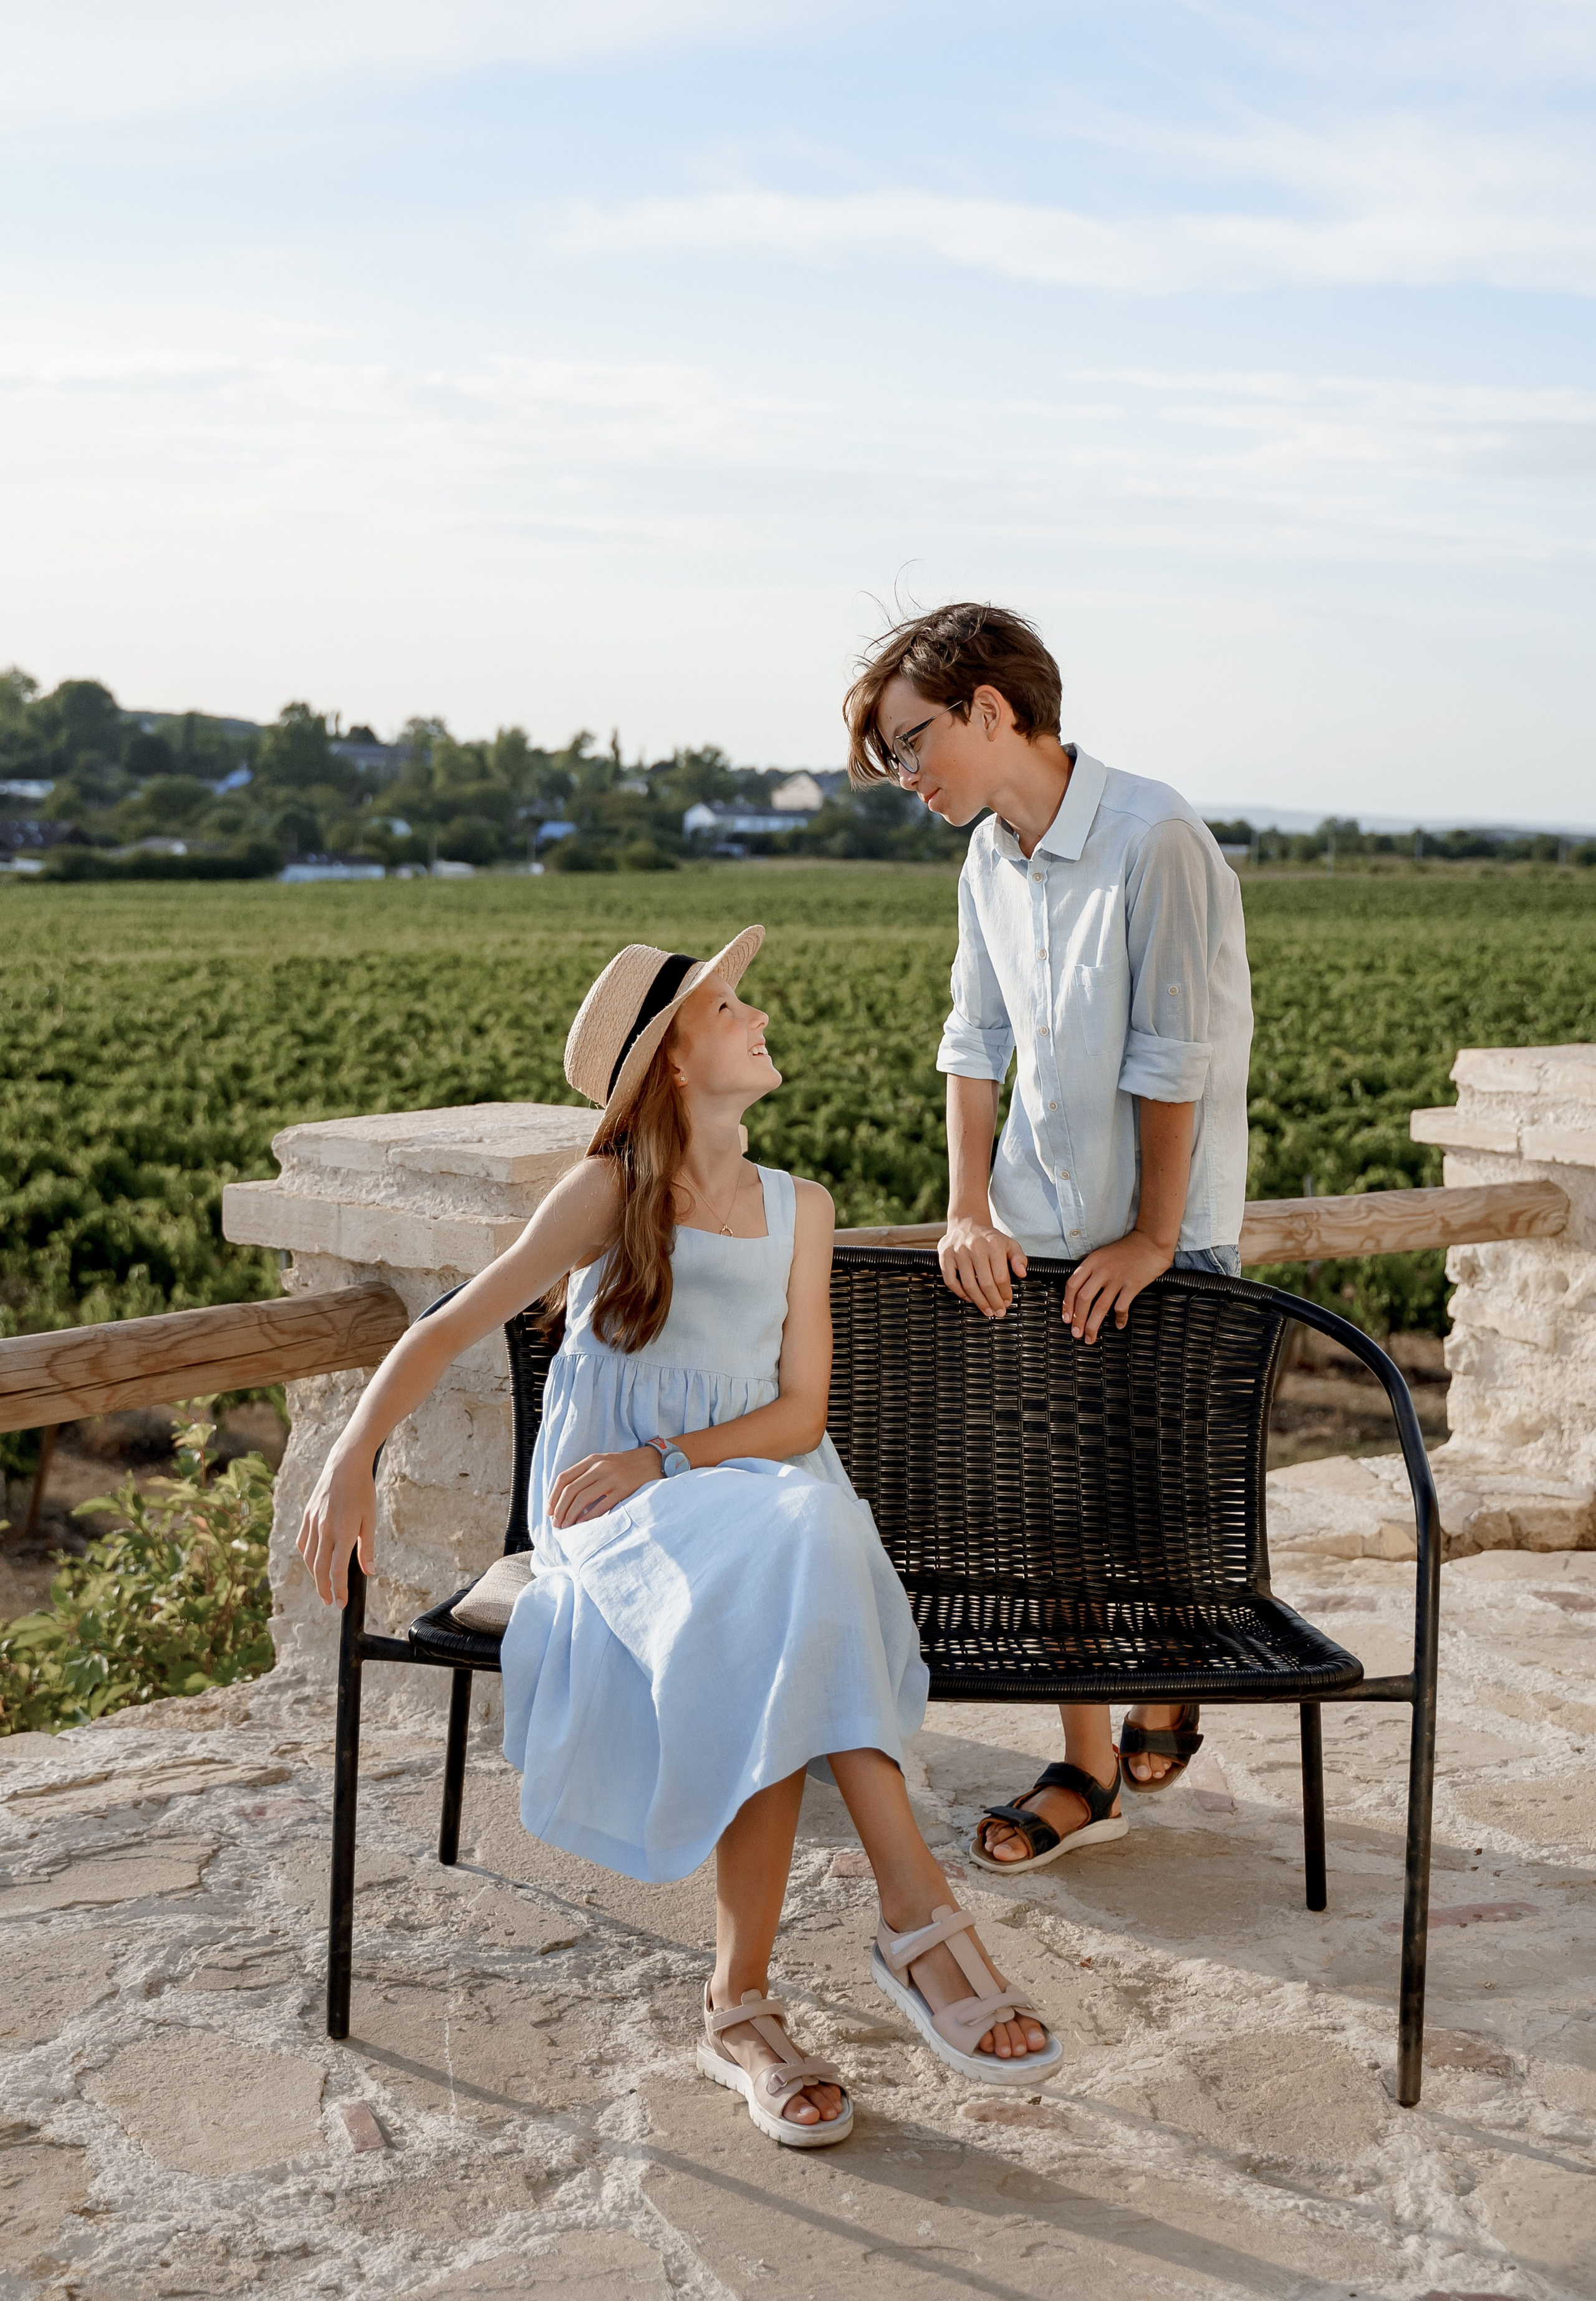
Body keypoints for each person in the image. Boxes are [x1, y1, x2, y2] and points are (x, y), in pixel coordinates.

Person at [296, 927, 1063, 2147]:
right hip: (623, 1517)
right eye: (724, 1007)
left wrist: (671, 1454)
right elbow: (449, 1327)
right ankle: (911, 1921)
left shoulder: (802, 1208)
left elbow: (800, 1416)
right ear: (668, 1062)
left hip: (752, 1485)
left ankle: (743, 2006)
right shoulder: (606, 1194)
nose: (754, 1015)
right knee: (788, 1562)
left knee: (788, 1552)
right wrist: (348, 1460)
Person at [845, 605, 1254, 1871]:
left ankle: (1167, 1674)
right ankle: (1087, 1763)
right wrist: (969, 1211)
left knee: (1153, 1501)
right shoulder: (986, 862)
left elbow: (1172, 1057)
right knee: (1050, 1515)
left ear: (988, 709)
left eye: (913, 745)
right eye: (890, 761)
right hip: (1028, 1233)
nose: (908, 779)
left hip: (1159, 1240)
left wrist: (1145, 1237)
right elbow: (973, 1048)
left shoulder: (1157, 839)